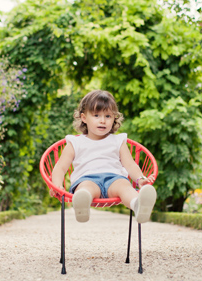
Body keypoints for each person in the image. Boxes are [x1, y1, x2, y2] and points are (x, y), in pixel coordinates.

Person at [51, 90, 157, 223]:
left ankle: (138, 205)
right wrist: (57, 185)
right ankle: (82, 205)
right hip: (87, 178)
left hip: (114, 178)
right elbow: (60, 168)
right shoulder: (75, 143)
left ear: (114, 119)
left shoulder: (118, 141)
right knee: (85, 189)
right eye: (96, 115)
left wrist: (140, 179)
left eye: (108, 116)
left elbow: (130, 164)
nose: (102, 121)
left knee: (125, 187)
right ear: (84, 118)